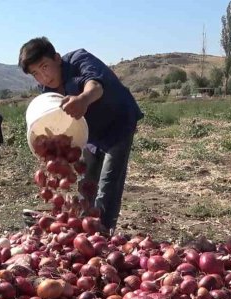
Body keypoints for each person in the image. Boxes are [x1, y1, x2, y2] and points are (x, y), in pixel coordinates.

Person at [18, 37, 143, 233]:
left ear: (57, 58)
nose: (43, 77)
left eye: (45, 67)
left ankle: (103, 233)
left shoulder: (79, 59)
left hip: (118, 122)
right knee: (87, 181)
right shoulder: (46, 89)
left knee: (109, 181)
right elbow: (53, 117)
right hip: (90, 132)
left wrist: (83, 99)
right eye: (35, 73)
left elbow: (96, 86)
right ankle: (84, 227)